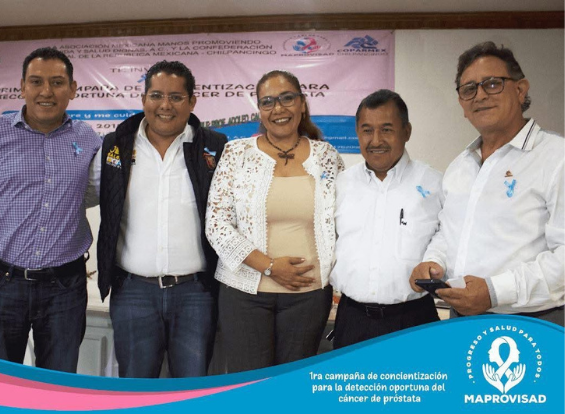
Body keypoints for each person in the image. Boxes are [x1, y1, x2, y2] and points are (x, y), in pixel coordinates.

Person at [0, 47, 101, 372]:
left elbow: (91, 194)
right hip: (2, 285)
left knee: (58, 386)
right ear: (22, 87)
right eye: (36, 81)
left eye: (57, 82)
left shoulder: (88, 138)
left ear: (72, 89)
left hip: (65, 289)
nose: (46, 91)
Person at [410, 41, 564, 325]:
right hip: (462, 318)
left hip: (534, 323)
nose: (480, 95)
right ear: (462, 104)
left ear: (520, 90)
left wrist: (495, 292)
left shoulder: (556, 157)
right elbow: (449, 232)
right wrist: (434, 262)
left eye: (492, 84)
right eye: (469, 89)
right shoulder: (460, 167)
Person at [91, 60, 227, 378]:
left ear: (192, 102)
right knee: (136, 390)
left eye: (176, 97)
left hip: (196, 294)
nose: (165, 105)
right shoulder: (115, 147)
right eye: (156, 95)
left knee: (192, 388)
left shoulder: (215, 147)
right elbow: (84, 196)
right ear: (143, 100)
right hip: (133, 293)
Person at [205, 70, 344, 373]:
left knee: (292, 387)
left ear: (302, 103)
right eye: (268, 102)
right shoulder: (236, 153)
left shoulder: (327, 156)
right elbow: (216, 224)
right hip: (244, 295)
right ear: (259, 109)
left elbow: (344, 221)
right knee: (250, 388)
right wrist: (269, 266)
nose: (278, 108)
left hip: (309, 297)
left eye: (287, 98)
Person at [330, 89, 442, 347]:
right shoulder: (341, 184)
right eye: (367, 130)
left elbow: (448, 239)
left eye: (387, 130)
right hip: (352, 320)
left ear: (407, 132)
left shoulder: (435, 184)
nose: (376, 140)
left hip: (413, 321)